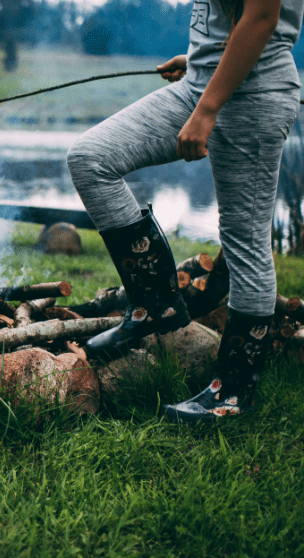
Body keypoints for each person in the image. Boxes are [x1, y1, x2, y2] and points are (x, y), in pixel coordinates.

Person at [66, 0, 303, 423]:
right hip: (203, 84)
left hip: (252, 96)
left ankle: (233, 392)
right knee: (91, 158)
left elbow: (263, 16)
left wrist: (209, 108)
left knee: (245, 241)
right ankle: (153, 304)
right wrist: (202, 59)